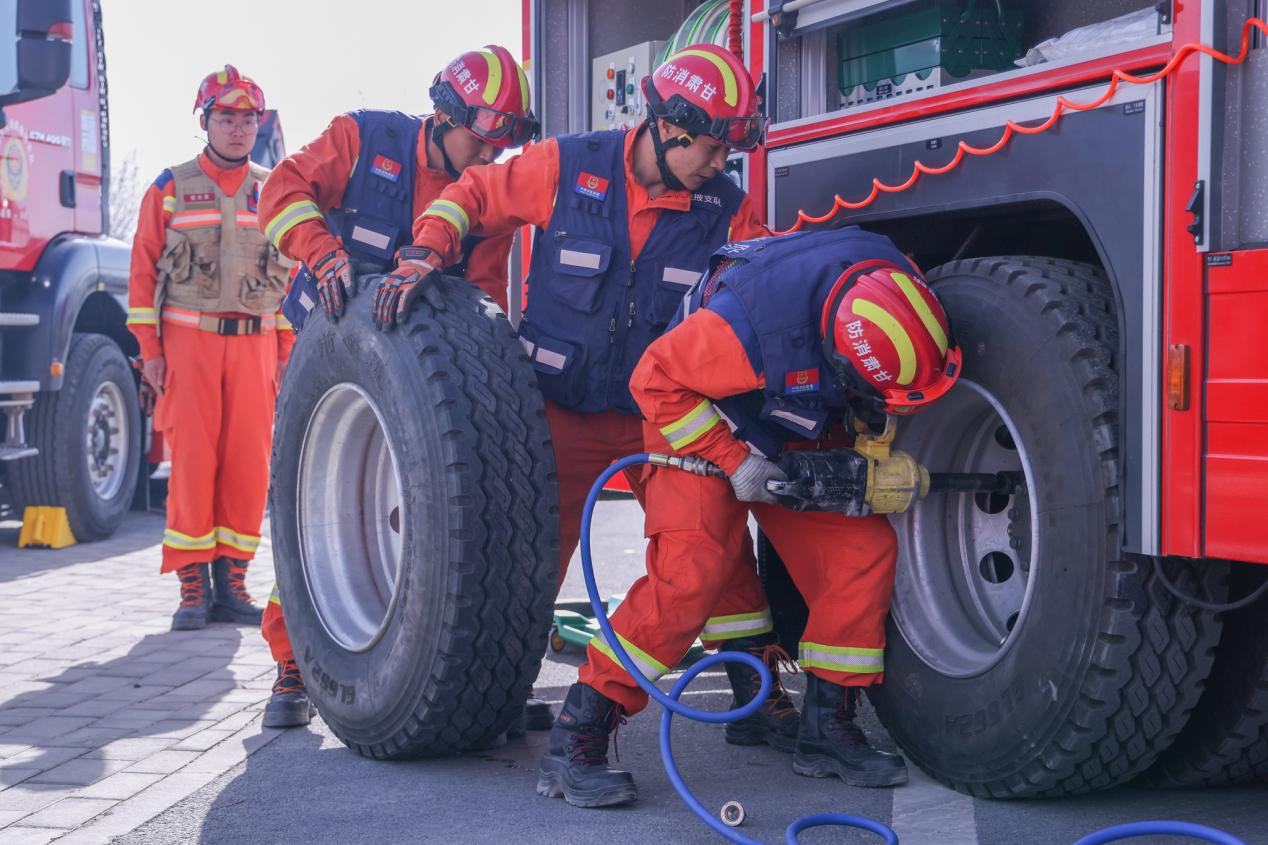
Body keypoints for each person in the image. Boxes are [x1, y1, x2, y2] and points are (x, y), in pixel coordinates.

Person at [376, 44, 802, 747]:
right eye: (713, 148)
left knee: (715, 546)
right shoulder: (568, 166)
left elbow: (757, 297)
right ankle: (499, 694)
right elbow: (476, 193)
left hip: (659, 419)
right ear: (669, 127)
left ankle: (754, 694)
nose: (721, 167)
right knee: (530, 555)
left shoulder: (727, 208)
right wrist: (428, 247)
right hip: (559, 413)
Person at [536, 225, 963, 807]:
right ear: (835, 355)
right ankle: (577, 735)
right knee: (695, 574)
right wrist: (734, 461)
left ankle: (822, 728)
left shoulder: (896, 288)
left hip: (788, 412)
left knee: (861, 554)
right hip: (691, 411)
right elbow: (654, 379)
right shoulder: (747, 330)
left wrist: (866, 449)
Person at [255, 45, 538, 729]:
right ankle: (295, 658)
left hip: (422, 382)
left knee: (441, 518)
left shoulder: (482, 198)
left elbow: (482, 294)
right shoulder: (364, 139)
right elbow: (280, 194)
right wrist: (322, 252)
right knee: (315, 508)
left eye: (504, 144)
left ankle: (460, 665)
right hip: (324, 364)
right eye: (482, 137)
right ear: (443, 115)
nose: (489, 157)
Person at [125, 66, 292, 634]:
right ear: (206, 122)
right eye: (227, 118)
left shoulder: (274, 191)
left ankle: (234, 583)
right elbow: (143, 271)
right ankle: (192, 586)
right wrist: (149, 350)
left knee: (249, 467)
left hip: (256, 348)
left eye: (248, 119)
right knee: (193, 466)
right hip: (188, 343)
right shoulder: (169, 187)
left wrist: (288, 352)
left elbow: (290, 282)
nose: (239, 129)